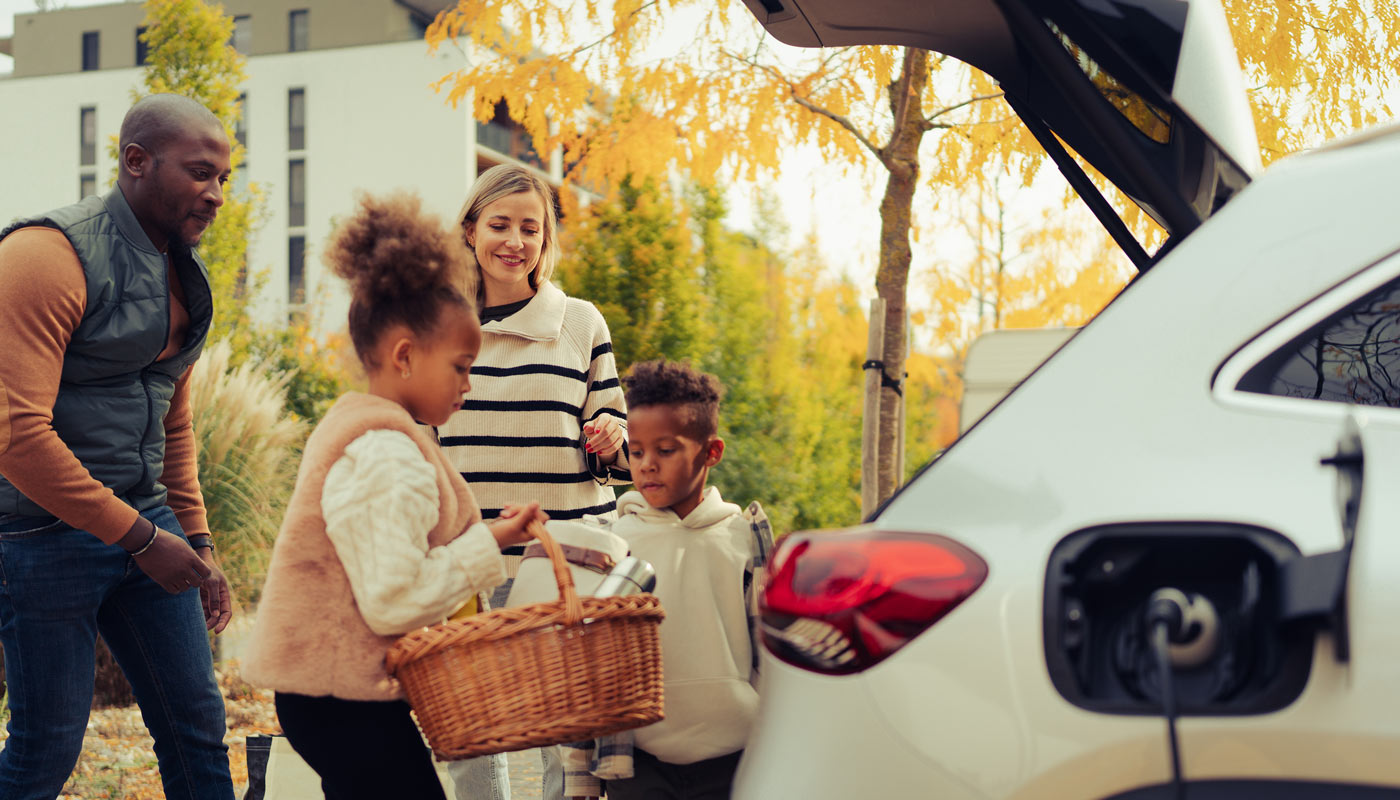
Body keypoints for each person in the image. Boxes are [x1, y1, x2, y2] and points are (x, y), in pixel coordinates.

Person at [239, 191, 545, 799]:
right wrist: (485, 543)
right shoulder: (385, 454)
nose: (468, 383)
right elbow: (394, 600)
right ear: (406, 356)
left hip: (335, 692)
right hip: (338, 695)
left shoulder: (376, 434)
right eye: (460, 366)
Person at [0, 93, 235, 800]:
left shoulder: (184, 272)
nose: (217, 194)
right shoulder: (43, 256)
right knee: (46, 748)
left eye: (225, 177)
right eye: (200, 173)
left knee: (196, 722)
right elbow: (15, 434)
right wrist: (138, 539)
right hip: (39, 536)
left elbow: (172, 421)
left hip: (148, 525)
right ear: (136, 161)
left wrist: (197, 538)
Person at [438, 164, 631, 800]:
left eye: (531, 227)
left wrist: (608, 431)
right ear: (470, 231)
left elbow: (619, 444)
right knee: (473, 728)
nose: (514, 241)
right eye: (499, 225)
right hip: (471, 555)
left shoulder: (579, 322)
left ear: (546, 239)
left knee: (564, 737)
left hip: (563, 557)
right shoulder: (439, 324)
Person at [563, 360, 773, 800]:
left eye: (666, 450)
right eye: (636, 452)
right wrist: (580, 782)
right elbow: (590, 669)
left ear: (711, 452)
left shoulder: (744, 540)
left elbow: (772, 657)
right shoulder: (614, 543)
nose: (647, 466)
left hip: (735, 760)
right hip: (638, 763)